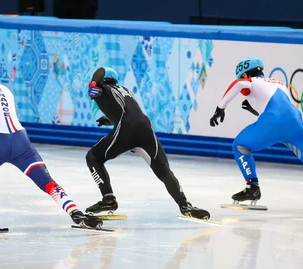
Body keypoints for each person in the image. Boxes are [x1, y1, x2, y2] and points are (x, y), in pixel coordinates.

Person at [0, 59, 102, 229]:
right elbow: (3, 116)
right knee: (47, 182)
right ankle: (75, 212)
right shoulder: (6, 90)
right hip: (22, 142)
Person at [209, 57, 303, 213]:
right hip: (295, 124)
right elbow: (279, 108)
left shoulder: (252, 82)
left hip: (271, 123)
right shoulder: (279, 83)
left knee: (239, 145)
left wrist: (220, 108)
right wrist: (252, 111)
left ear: (245, 75)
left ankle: (252, 187)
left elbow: (239, 85)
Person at [86, 67, 210, 219]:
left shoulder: (103, 88)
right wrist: (108, 120)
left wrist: (93, 84)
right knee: (164, 171)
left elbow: (101, 70)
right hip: (145, 128)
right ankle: (185, 205)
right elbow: (127, 112)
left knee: (93, 157)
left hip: (127, 129)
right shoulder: (125, 90)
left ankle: (108, 199)